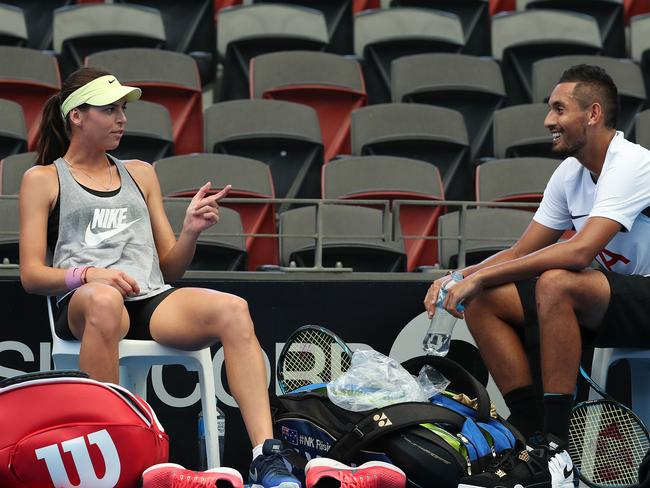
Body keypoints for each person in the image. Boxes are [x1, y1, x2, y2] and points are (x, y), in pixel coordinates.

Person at [19, 67, 301, 488]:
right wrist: (88, 275)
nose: (122, 118)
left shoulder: (141, 173)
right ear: (76, 116)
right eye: (109, 109)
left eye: (122, 109)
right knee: (103, 300)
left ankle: (265, 455)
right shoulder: (42, 179)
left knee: (233, 309)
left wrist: (189, 229)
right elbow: (31, 275)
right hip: (85, 302)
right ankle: (108, 447)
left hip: (150, 299)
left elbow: (170, 268)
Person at [424, 64, 650, 488]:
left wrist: (480, 276)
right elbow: (519, 251)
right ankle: (531, 442)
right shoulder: (570, 172)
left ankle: (557, 446)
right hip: (613, 300)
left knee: (557, 282)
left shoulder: (632, 163)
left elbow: (580, 250)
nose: (548, 120)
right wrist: (459, 277)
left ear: (593, 113)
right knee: (486, 300)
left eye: (559, 109)